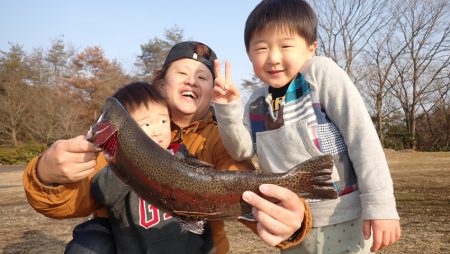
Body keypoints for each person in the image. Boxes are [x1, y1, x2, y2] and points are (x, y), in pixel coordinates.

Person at [23, 40, 312, 254]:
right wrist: (47, 175)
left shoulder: (218, 138)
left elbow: (241, 182)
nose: (192, 80)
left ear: (213, 91)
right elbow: (73, 201)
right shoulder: (127, 131)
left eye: (203, 77)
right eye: (182, 72)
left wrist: (291, 218)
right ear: (160, 82)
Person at [211, 0, 401, 253]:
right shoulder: (256, 100)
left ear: (311, 48)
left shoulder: (321, 74)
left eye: (286, 45)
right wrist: (226, 109)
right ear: (248, 54)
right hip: (289, 222)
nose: (274, 58)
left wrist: (380, 205)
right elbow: (241, 152)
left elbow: (362, 138)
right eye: (261, 48)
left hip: (341, 215)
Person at [90, 81, 217, 253]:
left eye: (163, 120)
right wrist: (127, 159)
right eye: (146, 124)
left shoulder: (184, 160)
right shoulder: (119, 165)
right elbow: (104, 194)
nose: (157, 130)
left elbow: (201, 219)